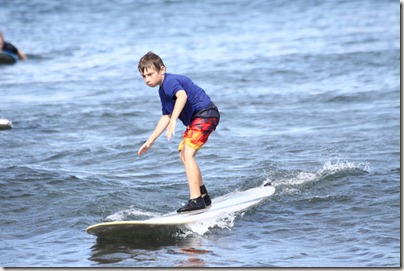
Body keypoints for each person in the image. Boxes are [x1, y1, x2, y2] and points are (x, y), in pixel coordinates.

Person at [137, 51, 220, 213]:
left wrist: (174, 119)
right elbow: (166, 116)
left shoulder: (170, 81)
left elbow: (181, 96)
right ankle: (203, 196)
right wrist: (151, 140)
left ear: (162, 69)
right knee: (184, 155)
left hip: (206, 113)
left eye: (150, 74)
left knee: (188, 155)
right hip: (200, 117)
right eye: (143, 76)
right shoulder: (162, 90)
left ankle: (196, 199)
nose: (147, 79)